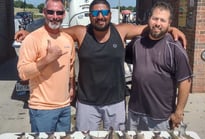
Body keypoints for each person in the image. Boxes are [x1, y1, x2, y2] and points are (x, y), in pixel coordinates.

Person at [15, 0, 187, 131]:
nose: (100, 16)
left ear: (110, 14)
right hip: (87, 103)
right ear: (90, 16)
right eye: (96, 13)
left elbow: (149, 27)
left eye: (104, 11)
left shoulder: (121, 30)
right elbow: (54, 31)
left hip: (116, 102)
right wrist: (30, 33)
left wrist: (172, 29)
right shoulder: (80, 32)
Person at [125, 1, 192, 131]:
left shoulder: (175, 48)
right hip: (135, 113)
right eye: (155, 18)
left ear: (169, 23)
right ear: (149, 19)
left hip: (161, 117)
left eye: (163, 20)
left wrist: (179, 112)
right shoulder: (136, 43)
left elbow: (185, 81)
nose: (158, 23)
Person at [17, 0, 76, 132]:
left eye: (59, 13)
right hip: (42, 109)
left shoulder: (68, 39)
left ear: (64, 14)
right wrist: (47, 59)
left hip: (65, 108)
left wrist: (72, 86)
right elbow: (23, 73)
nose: (55, 16)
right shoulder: (32, 39)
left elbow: (70, 67)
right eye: (50, 12)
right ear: (44, 13)